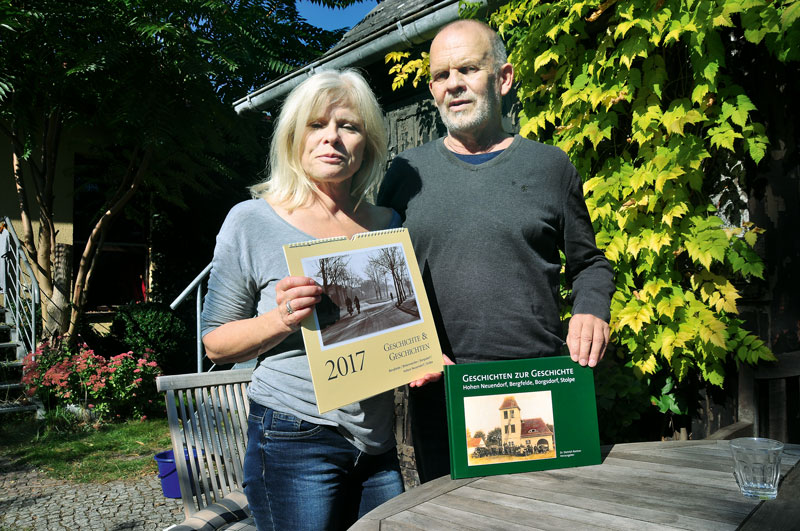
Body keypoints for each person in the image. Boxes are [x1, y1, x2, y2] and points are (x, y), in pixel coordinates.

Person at [377, 20, 615, 482]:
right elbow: (381, 283)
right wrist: (405, 350)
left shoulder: (550, 166)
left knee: (541, 513)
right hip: (441, 390)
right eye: (442, 75)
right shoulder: (406, 173)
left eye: (467, 68)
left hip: (537, 387)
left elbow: (589, 264)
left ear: (503, 78)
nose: (454, 85)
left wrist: (591, 308)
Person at [202, 69, 404, 530]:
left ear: (367, 142)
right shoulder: (252, 220)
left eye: (348, 126)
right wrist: (282, 318)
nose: (332, 138)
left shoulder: (389, 223)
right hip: (296, 434)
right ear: (293, 137)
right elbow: (215, 344)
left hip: (378, 440)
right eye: (317, 125)